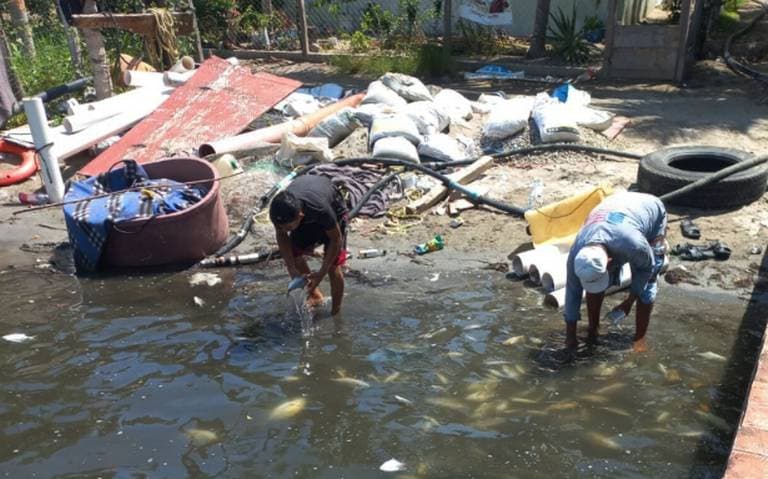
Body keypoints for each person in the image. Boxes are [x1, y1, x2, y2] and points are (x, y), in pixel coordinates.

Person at [563, 191, 667, 352]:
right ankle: (593, 329)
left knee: (648, 286)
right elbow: (572, 294)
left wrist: (629, 302)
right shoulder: (576, 256)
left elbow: (647, 269)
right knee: (594, 280)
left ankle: (640, 338)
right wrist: (570, 338)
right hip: (613, 205)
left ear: (609, 261)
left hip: (649, 210)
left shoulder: (633, 244)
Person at [269, 175, 348, 315]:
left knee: (333, 266)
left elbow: (336, 239)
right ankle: (316, 296)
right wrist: (291, 268)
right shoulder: (279, 212)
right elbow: (281, 235)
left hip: (333, 209)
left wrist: (321, 273)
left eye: (287, 227)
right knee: (294, 254)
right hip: (303, 210)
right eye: (280, 227)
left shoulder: (321, 210)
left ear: (300, 216)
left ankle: (336, 311)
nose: (284, 230)